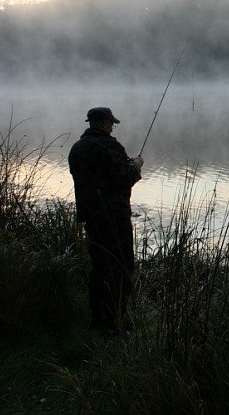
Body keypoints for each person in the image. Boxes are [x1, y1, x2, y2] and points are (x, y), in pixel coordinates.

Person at [69, 107, 143, 334]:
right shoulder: (110, 146)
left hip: (92, 217)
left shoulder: (77, 148)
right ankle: (115, 323)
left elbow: (96, 176)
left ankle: (97, 321)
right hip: (114, 217)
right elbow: (123, 178)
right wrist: (136, 166)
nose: (112, 127)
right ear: (102, 124)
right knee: (120, 267)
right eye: (111, 123)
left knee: (99, 267)